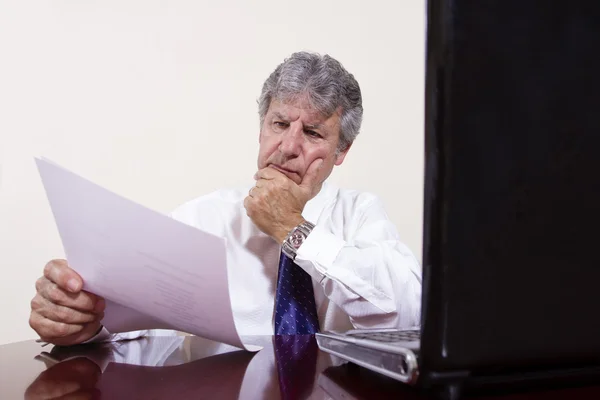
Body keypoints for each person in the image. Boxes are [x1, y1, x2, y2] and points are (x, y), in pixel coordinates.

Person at [29, 51, 422, 347]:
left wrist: (293, 230)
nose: (288, 147)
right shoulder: (204, 219)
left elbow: (409, 315)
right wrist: (81, 322)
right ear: (261, 130)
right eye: (280, 124)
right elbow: (139, 338)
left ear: (341, 152)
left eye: (314, 134)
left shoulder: (360, 215)